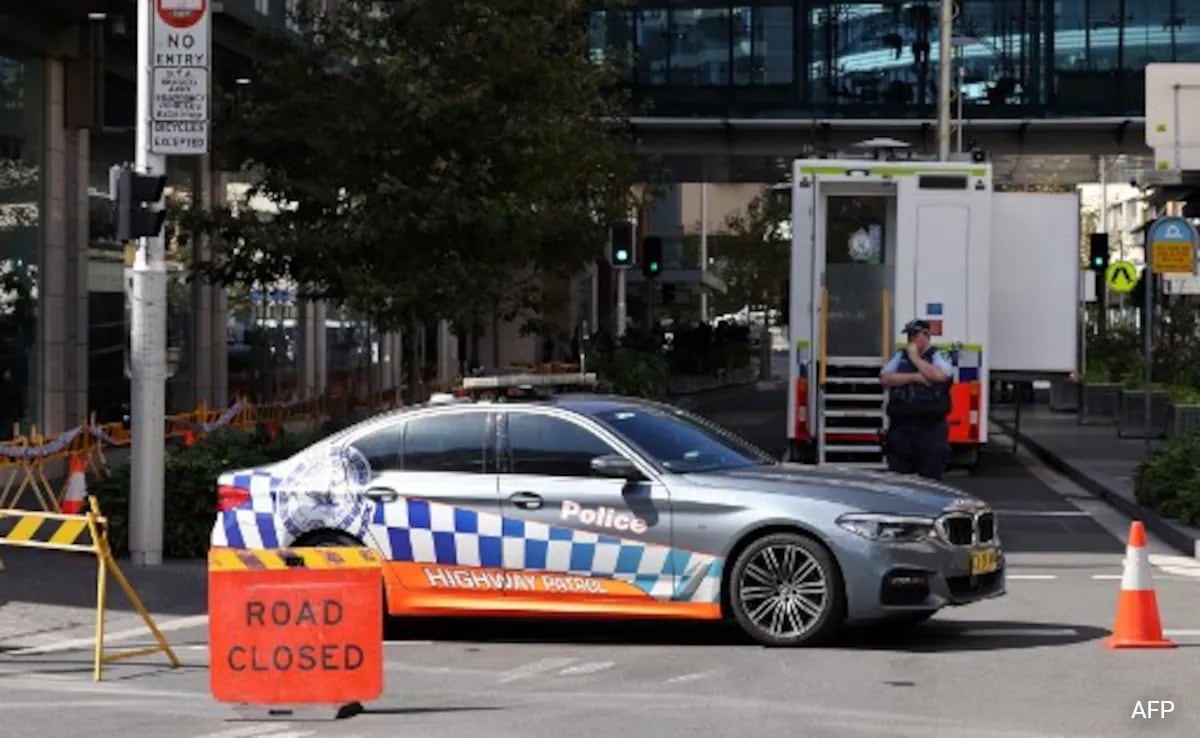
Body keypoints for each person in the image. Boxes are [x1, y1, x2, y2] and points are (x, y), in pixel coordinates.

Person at [879, 319, 955, 480]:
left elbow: (939, 376)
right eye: (909, 336)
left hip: (930, 429)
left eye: (915, 335)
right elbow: (885, 378)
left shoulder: (939, 355)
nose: (911, 340)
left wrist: (915, 358)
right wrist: (914, 377)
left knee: (931, 480)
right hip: (902, 428)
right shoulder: (900, 355)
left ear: (927, 335)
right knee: (899, 481)